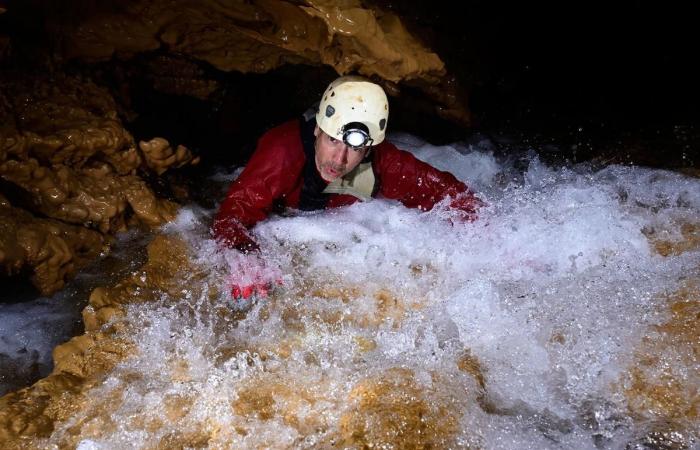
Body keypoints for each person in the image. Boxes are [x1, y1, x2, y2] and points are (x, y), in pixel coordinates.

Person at [213, 75, 482, 298]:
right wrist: (244, 256)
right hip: (286, 219)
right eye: (332, 141)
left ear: (368, 150)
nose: (339, 160)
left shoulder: (383, 162)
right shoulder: (283, 152)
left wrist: (491, 236)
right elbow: (234, 213)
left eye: (354, 148)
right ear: (317, 130)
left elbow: (448, 194)